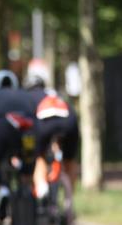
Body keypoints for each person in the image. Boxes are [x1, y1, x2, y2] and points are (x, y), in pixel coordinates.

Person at [0, 69, 43, 219]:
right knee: (28, 163)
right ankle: (29, 197)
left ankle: (2, 188)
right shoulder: (26, 95)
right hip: (29, 129)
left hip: (2, 128)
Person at [21, 72, 80, 201]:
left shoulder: (25, 98)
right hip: (69, 120)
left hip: (45, 124)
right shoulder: (54, 94)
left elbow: (27, 125)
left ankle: (42, 189)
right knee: (70, 161)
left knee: (40, 157)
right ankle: (69, 200)